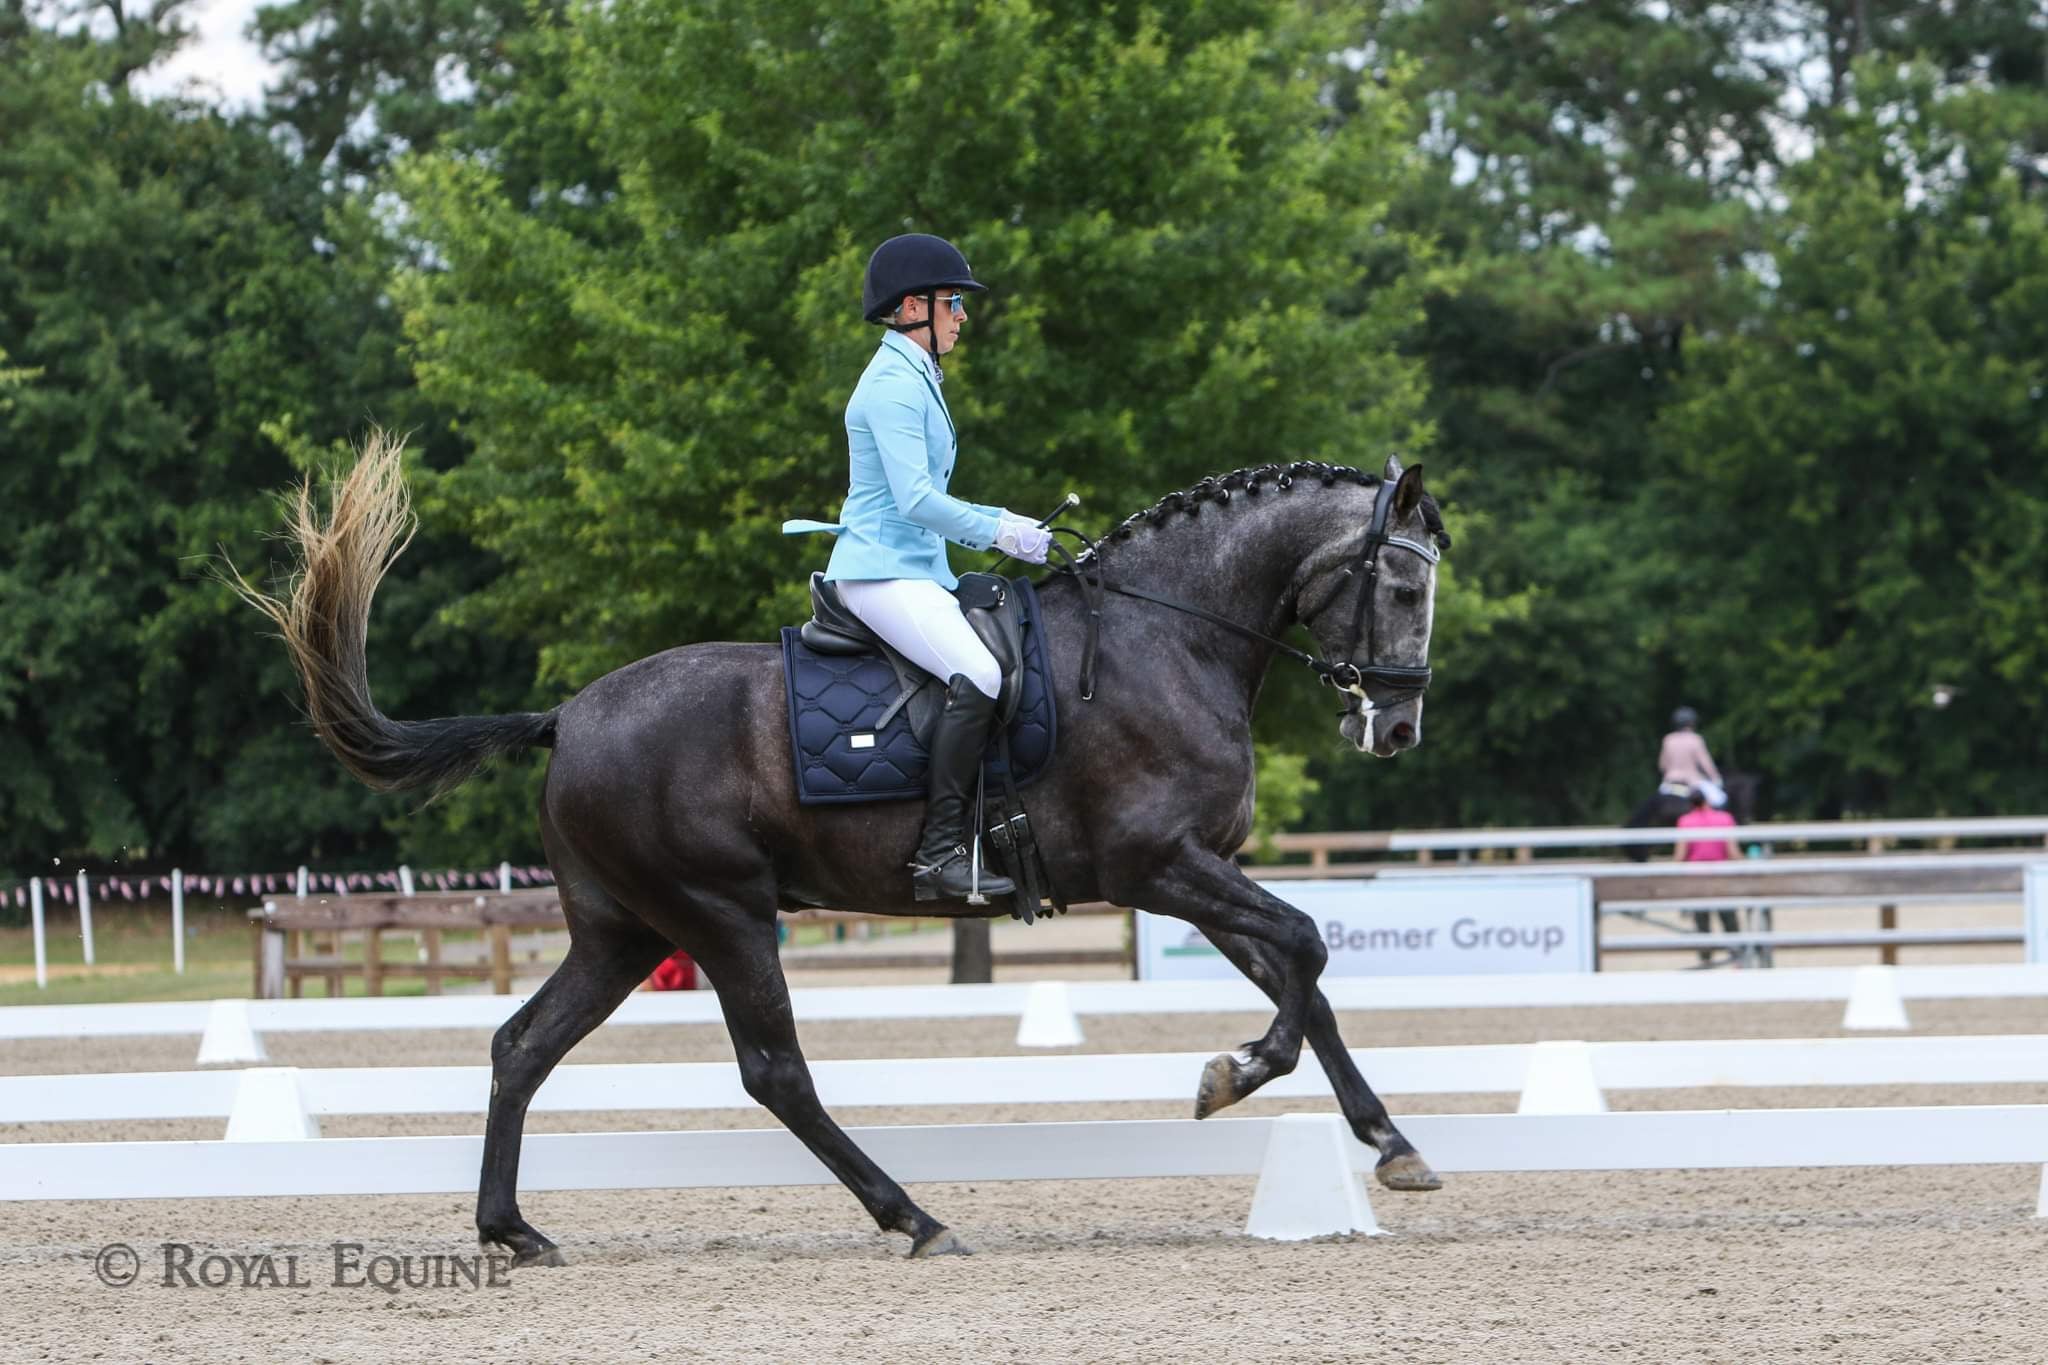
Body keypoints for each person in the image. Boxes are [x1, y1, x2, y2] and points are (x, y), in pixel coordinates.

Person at [783, 233, 1052, 901]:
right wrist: (1003, 528)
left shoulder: (916, 375)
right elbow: (917, 500)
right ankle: (938, 856)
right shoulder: (892, 388)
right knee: (981, 671)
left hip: (912, 568)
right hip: (880, 571)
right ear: (912, 308)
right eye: (953, 302)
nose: (962, 315)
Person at [1676, 786, 1741, 959]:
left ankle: (1706, 960)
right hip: (1721, 878)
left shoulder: (1685, 821)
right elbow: (1733, 853)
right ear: (1708, 800)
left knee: (1702, 924)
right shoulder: (1725, 818)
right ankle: (1738, 958)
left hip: (1697, 880)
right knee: (1729, 920)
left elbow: (1680, 856)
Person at [1658, 706, 1726, 809]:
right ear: (1692, 723)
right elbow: (1706, 763)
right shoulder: (1696, 739)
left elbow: (1662, 765)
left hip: (1670, 784)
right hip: (1692, 783)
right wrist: (1716, 778)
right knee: (1720, 799)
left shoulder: (1668, 739)